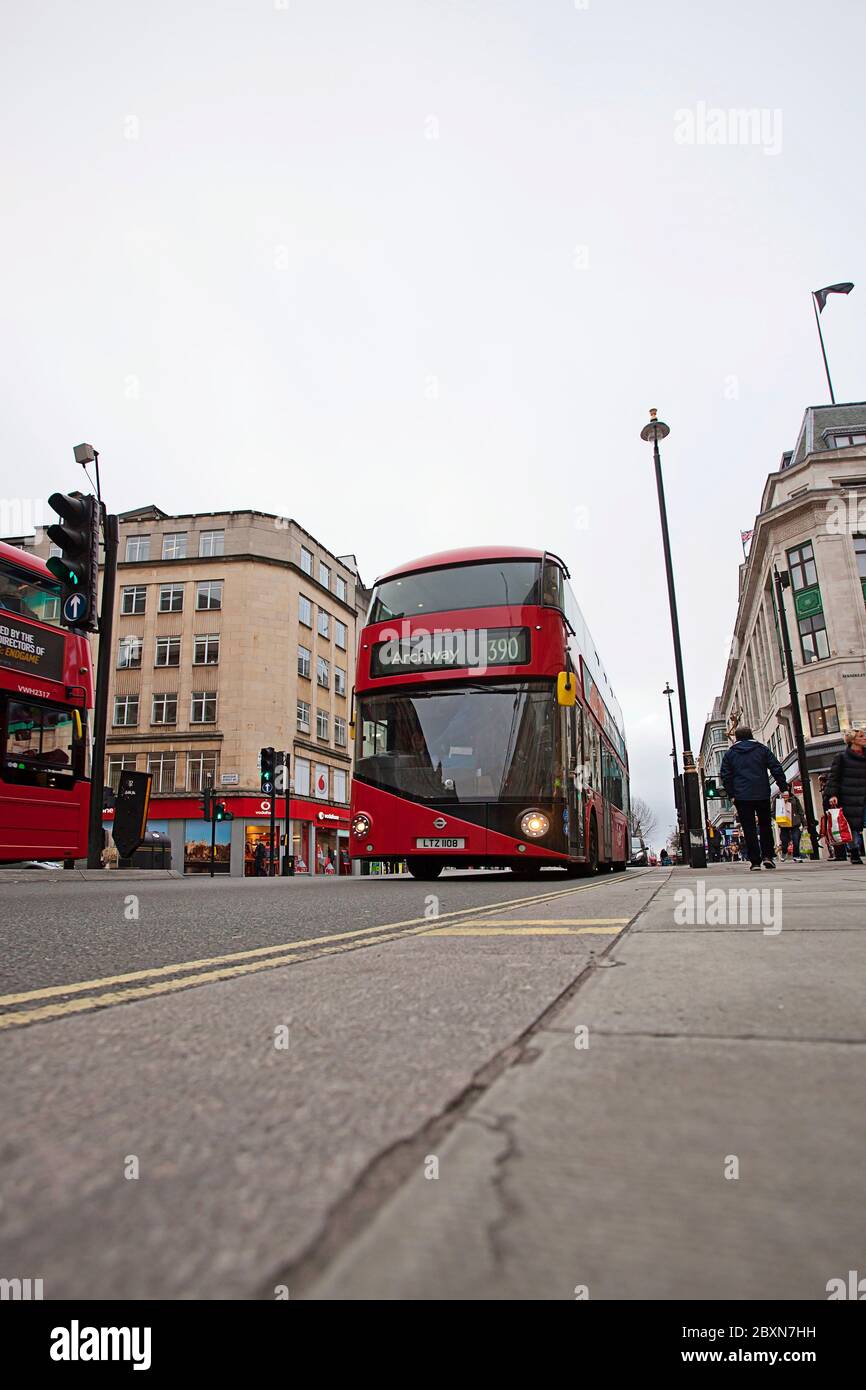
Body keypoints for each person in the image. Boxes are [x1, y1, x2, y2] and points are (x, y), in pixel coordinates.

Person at [720, 725, 787, 871]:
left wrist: (731, 794)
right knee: (765, 825)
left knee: (748, 828)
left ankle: (755, 861)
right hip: (761, 792)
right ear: (751, 735)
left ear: (736, 737)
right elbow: (776, 767)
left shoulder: (730, 754)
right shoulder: (762, 749)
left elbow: (725, 776)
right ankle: (768, 856)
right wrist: (783, 787)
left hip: (741, 796)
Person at [824, 728, 866, 865]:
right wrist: (832, 794)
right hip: (849, 796)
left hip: (863, 794)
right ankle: (854, 853)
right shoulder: (841, 757)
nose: (864, 738)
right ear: (852, 740)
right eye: (861, 736)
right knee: (852, 827)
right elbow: (834, 777)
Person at [778, 789, 806, 863]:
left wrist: (804, 823)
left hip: (794, 823)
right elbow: (773, 811)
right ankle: (784, 852)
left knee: (796, 839)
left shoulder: (794, 799)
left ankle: (796, 856)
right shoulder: (778, 799)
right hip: (784, 824)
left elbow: (800, 811)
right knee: (784, 841)